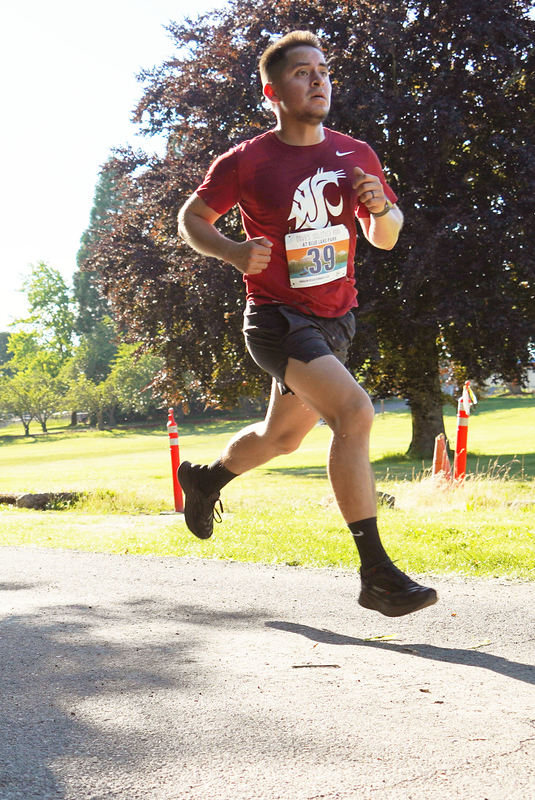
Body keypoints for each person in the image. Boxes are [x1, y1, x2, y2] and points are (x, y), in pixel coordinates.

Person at [174, 32, 436, 617]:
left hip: (335, 321)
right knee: (354, 412)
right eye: (302, 73)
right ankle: (377, 574)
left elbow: (385, 238)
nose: (318, 80)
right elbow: (192, 218)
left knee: (282, 438)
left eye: (323, 71)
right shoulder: (247, 161)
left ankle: (206, 481)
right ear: (273, 90)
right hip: (275, 320)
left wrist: (382, 208)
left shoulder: (356, 153)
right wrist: (234, 253)